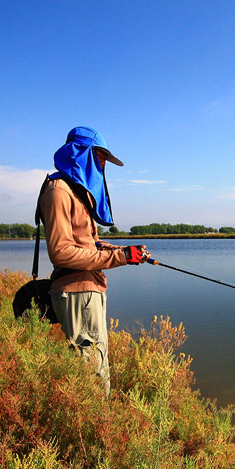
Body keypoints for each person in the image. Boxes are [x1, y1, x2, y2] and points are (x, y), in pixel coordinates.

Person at [38, 126, 150, 396]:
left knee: (98, 362)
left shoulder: (77, 192)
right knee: (89, 371)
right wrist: (120, 257)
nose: (102, 165)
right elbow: (62, 252)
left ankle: (99, 424)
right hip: (77, 292)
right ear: (81, 153)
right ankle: (94, 427)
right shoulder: (59, 191)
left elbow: (89, 243)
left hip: (89, 290)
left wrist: (125, 251)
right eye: (99, 157)